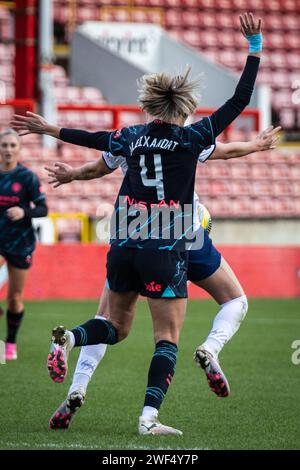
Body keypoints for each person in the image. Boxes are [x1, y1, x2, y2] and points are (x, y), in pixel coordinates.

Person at [12, 12, 262, 435]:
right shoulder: (194, 137)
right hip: (167, 240)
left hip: (125, 237)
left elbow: (92, 139)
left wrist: (50, 128)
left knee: (115, 324)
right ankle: (148, 418)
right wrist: (254, 49)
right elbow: (239, 102)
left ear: (150, 106)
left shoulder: (130, 136)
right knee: (166, 337)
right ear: (183, 107)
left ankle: (70, 339)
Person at [44, 125, 280, 430]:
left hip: (131, 233)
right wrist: (255, 144)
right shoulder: (186, 139)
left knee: (107, 322)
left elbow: (98, 165)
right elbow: (225, 149)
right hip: (183, 232)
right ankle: (207, 351)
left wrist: (71, 169)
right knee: (230, 303)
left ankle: (77, 383)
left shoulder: (131, 138)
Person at [0, 129, 48, 360]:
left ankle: (10, 342)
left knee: (15, 298)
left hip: (20, 242)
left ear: (18, 149)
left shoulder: (27, 177)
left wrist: (24, 211)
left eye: (12, 145)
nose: (8, 149)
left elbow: (43, 209)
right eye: (4, 145)